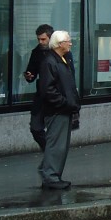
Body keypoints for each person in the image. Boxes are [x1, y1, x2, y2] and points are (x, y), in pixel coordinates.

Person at [37, 31, 81, 189]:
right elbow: (48, 90)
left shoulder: (61, 60)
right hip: (57, 110)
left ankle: (50, 172)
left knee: (59, 144)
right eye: (68, 41)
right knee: (57, 144)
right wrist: (66, 103)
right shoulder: (50, 62)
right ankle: (51, 176)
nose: (70, 44)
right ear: (59, 44)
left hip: (63, 109)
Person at [23, 23, 54, 150]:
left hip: (55, 95)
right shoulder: (36, 52)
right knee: (35, 128)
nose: (40, 42)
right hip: (42, 94)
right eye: (38, 39)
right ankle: (49, 150)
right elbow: (32, 71)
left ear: (50, 38)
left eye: (43, 39)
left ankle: (52, 154)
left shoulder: (59, 52)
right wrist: (29, 75)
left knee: (55, 130)